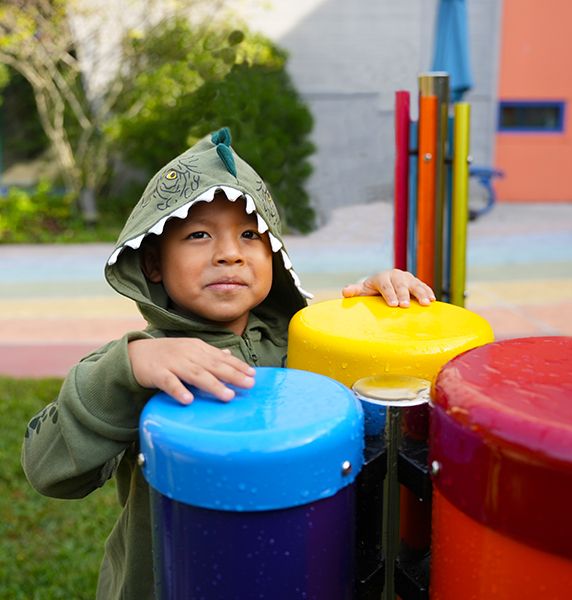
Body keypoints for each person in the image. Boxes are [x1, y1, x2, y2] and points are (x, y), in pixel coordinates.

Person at [21, 127, 435, 599]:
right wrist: (128, 367)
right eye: (199, 234)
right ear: (154, 263)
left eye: (249, 234)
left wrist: (376, 308)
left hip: (301, 568)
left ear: (274, 254)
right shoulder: (145, 361)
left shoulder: (304, 341)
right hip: (175, 577)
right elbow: (47, 470)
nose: (230, 254)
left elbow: (377, 420)